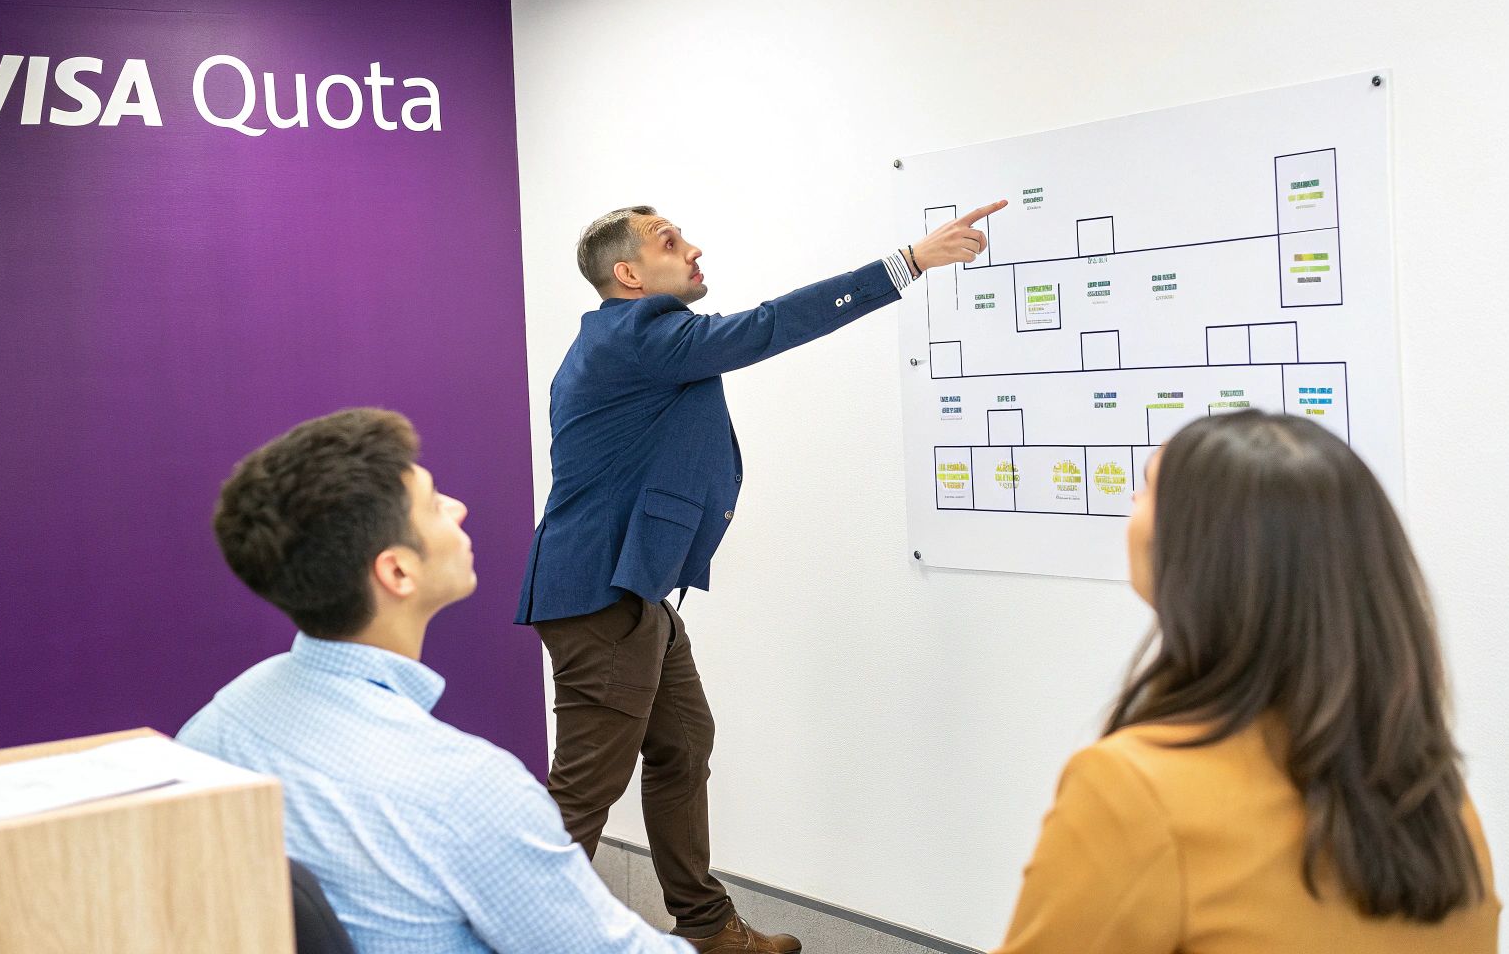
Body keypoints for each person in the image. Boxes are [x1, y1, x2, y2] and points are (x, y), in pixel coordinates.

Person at [517, 202, 1005, 953]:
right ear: (628, 274)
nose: (693, 249)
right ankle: (513, 938)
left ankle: (710, 930)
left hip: (628, 589)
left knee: (682, 742)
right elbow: (770, 325)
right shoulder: (643, 334)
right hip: (600, 597)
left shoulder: (614, 341)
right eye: (669, 243)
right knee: (584, 791)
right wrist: (908, 261)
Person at [178, 408, 693, 954]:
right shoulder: (469, 791)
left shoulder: (218, 724)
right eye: (433, 503)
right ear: (397, 571)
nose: (458, 507)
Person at [994, 410, 1501, 953]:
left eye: (1146, 490)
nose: (1133, 507)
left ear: (1195, 551)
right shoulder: (1434, 803)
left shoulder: (1131, 790)